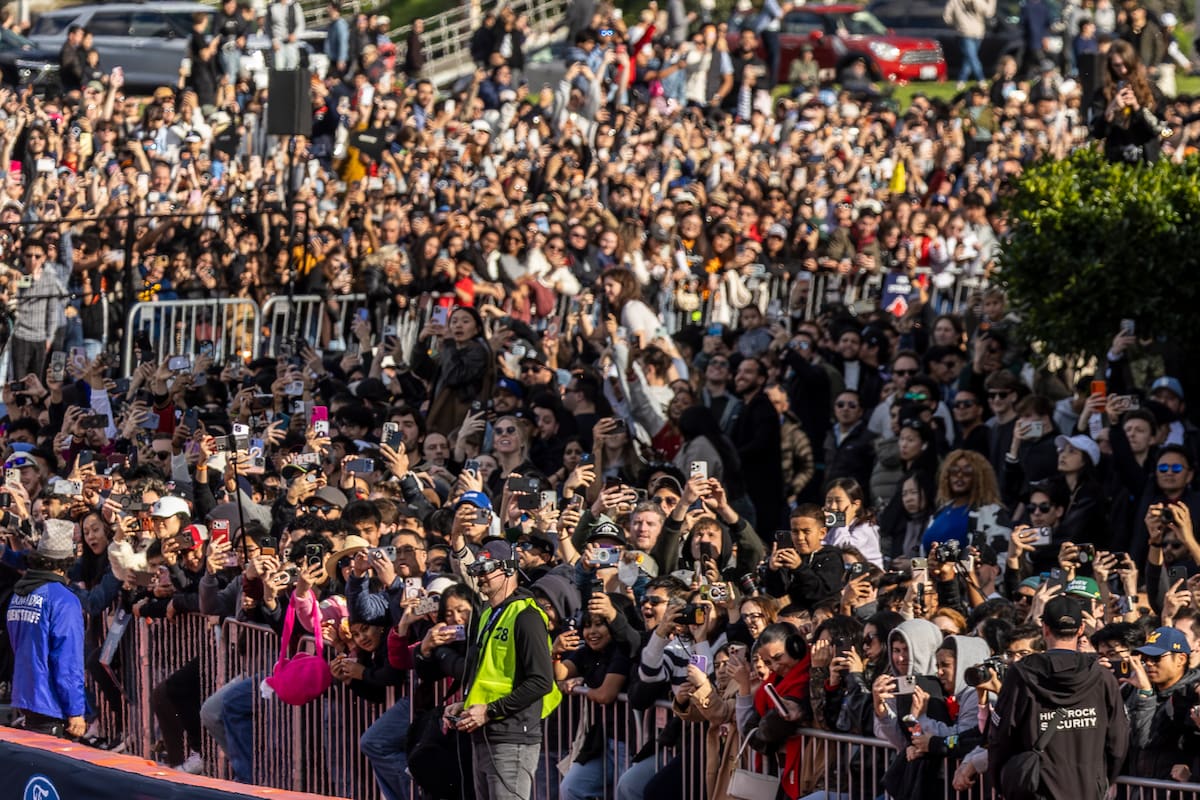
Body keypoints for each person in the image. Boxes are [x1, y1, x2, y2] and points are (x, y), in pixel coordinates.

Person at [443, 540, 561, 800]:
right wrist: (465, 704)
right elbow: (492, 674)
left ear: (509, 569)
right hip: (485, 734)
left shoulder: (527, 615)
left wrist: (489, 711)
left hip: (512, 738)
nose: (480, 576)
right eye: (477, 569)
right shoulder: (488, 614)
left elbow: (541, 681)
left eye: (486, 568)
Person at [987, 596, 1129, 799]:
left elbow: (1001, 737)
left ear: (1044, 628)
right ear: (1080, 630)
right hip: (1086, 790)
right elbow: (1118, 741)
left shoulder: (1021, 674)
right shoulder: (1102, 676)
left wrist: (1005, 782)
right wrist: (1101, 781)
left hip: (1036, 790)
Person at [6, 519, 86, 738]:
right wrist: (76, 710)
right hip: (53, 706)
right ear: (68, 560)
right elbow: (68, 660)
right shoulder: (64, 600)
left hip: (26, 698)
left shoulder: (19, 594)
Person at [1089, 39, 1166, 164]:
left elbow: (1162, 129)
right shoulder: (1102, 93)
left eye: (1126, 64)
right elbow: (1096, 132)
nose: (1123, 70)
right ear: (1110, 66)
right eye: (1117, 65)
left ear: (1133, 63)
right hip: (1116, 160)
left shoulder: (1152, 91)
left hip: (1147, 159)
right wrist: (1110, 110)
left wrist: (1137, 108)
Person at [943, 0, 995, 86]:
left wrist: (956, 24)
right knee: (972, 57)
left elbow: (947, 18)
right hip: (976, 32)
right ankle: (980, 79)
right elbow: (989, 13)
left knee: (970, 58)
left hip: (966, 32)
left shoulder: (954, 1)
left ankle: (961, 80)